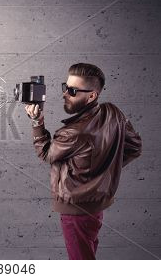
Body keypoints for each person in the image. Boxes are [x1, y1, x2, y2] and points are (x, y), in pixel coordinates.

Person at [24, 63, 142, 260]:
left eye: (72, 91)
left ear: (92, 95)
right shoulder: (114, 113)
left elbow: (46, 153)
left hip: (76, 209)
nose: (64, 94)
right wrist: (103, 168)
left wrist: (37, 122)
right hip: (95, 206)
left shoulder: (72, 133)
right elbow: (135, 147)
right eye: (65, 87)